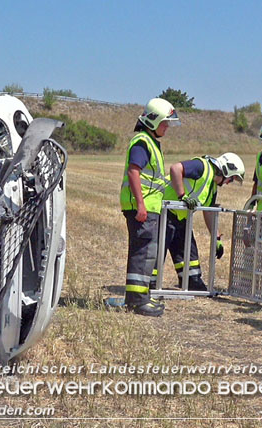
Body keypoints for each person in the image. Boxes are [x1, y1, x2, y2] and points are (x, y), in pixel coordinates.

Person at [120, 98, 180, 317]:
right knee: (142, 253)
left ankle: (142, 297)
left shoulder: (151, 143)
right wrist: (141, 205)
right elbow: (133, 172)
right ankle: (137, 301)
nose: (167, 127)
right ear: (153, 121)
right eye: (165, 123)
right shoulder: (142, 142)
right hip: (142, 208)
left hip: (149, 207)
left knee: (148, 253)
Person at [152, 153, 245, 291]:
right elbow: (175, 169)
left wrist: (216, 237)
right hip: (163, 212)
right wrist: (183, 196)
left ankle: (191, 281)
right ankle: (148, 285)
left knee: (190, 256)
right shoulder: (202, 167)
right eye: (231, 179)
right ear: (226, 170)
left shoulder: (212, 188)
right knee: (156, 252)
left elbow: (208, 211)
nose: (228, 183)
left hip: (180, 218)